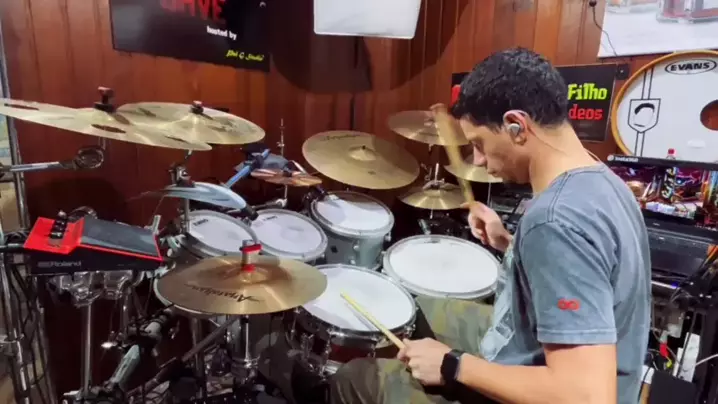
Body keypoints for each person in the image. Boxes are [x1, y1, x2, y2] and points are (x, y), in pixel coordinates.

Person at [330, 47, 651, 404]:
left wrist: (452, 365)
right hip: (545, 347)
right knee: (422, 307)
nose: (479, 160)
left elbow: (586, 397)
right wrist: (510, 244)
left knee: (355, 378)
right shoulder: (604, 181)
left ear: (517, 126)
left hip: (556, 387)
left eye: (479, 144)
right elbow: (588, 269)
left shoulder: (554, 221)